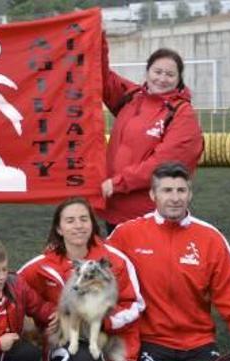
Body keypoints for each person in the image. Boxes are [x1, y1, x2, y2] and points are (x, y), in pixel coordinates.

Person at [108, 163, 230, 361]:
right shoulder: (127, 234)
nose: (174, 198)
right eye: (167, 190)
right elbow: (98, 265)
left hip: (198, 341)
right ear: (153, 195)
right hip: (154, 340)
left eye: (181, 190)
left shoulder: (210, 238)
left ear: (190, 194)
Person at [17, 197, 145, 361]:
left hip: (112, 342)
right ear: (59, 228)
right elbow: (15, 292)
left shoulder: (115, 260)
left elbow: (135, 304)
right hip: (72, 342)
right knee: (81, 360)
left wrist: (103, 320)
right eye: (70, 220)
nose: (78, 225)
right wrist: (46, 314)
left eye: (84, 219)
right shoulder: (42, 265)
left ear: (92, 224)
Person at [94, 37, 204, 231]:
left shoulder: (182, 114)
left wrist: (118, 183)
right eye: (157, 71)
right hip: (115, 208)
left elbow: (163, 165)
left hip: (149, 214)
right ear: (147, 72)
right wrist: (97, 37)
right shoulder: (132, 97)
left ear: (179, 79)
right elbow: (102, 76)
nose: (162, 79)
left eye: (170, 74)